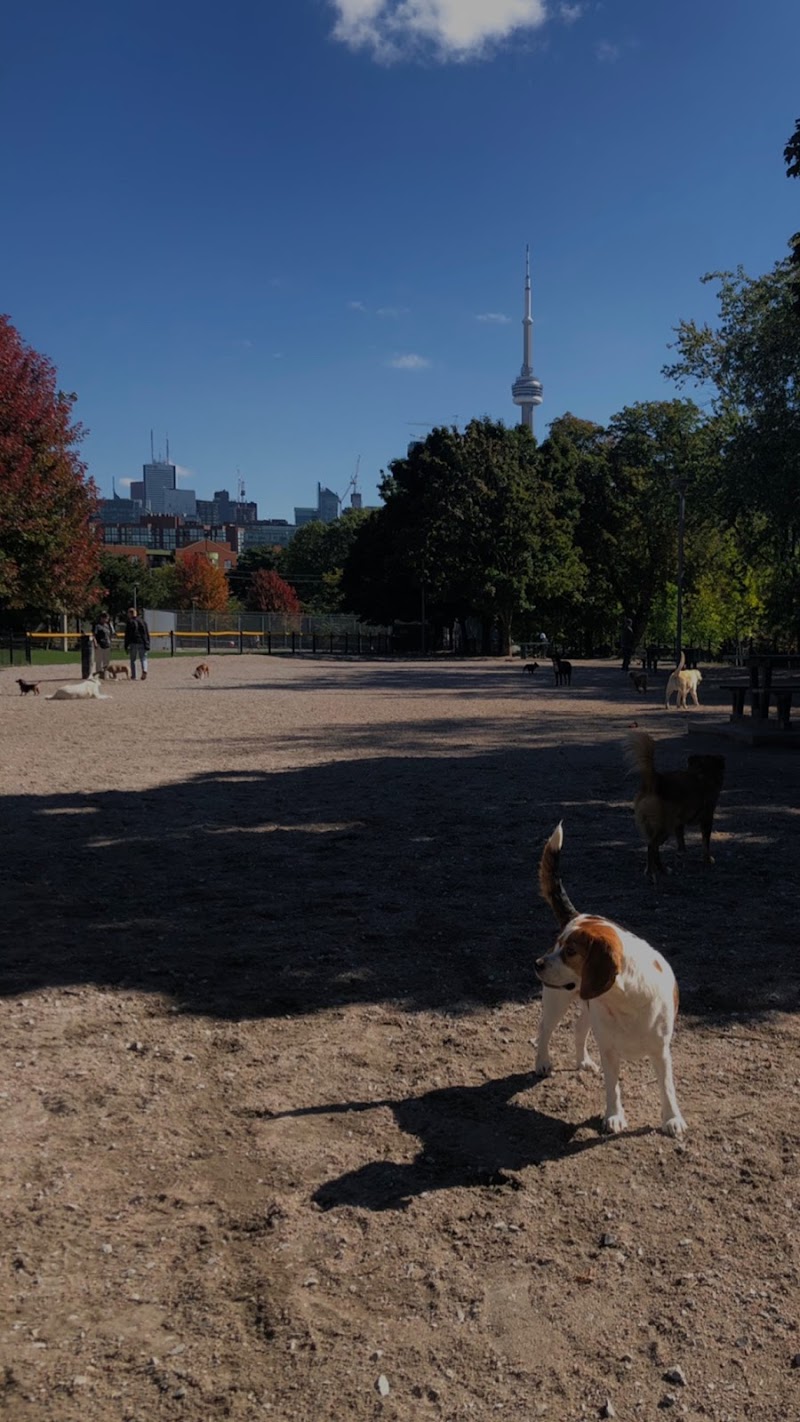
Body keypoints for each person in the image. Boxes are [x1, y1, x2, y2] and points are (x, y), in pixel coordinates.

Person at [124, 606, 151, 680]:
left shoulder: (130, 622)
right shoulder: (143, 621)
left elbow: (127, 634)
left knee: (133, 660)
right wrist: (147, 642)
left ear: (131, 613)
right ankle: (144, 670)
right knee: (144, 658)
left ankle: (134, 675)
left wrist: (126, 645)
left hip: (133, 642)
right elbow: (147, 633)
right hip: (142, 642)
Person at [93, 612, 114, 679]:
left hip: (107, 644)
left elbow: (112, 634)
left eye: (107, 618)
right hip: (100, 644)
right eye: (105, 618)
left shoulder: (108, 626)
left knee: (106, 660)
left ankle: (106, 673)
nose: (106, 620)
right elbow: (94, 635)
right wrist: (95, 643)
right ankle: (98, 673)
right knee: (99, 660)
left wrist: (111, 625)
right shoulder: (97, 626)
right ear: (102, 618)